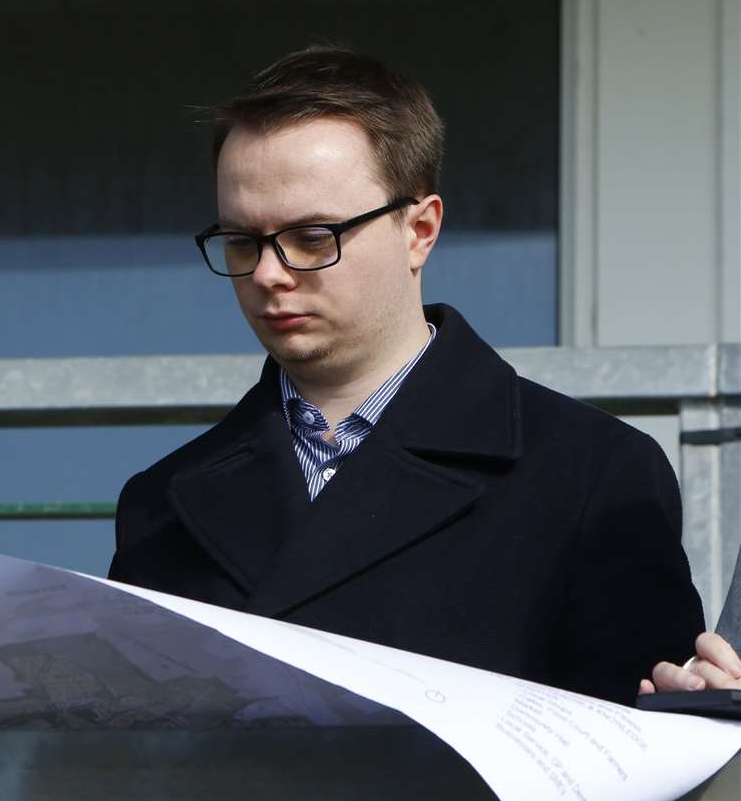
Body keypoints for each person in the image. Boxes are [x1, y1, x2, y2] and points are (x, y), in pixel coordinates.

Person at [109, 46, 706, 705]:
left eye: (312, 237)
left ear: (419, 230)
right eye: (242, 241)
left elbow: (650, 760)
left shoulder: (593, 474)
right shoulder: (162, 503)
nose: (269, 275)